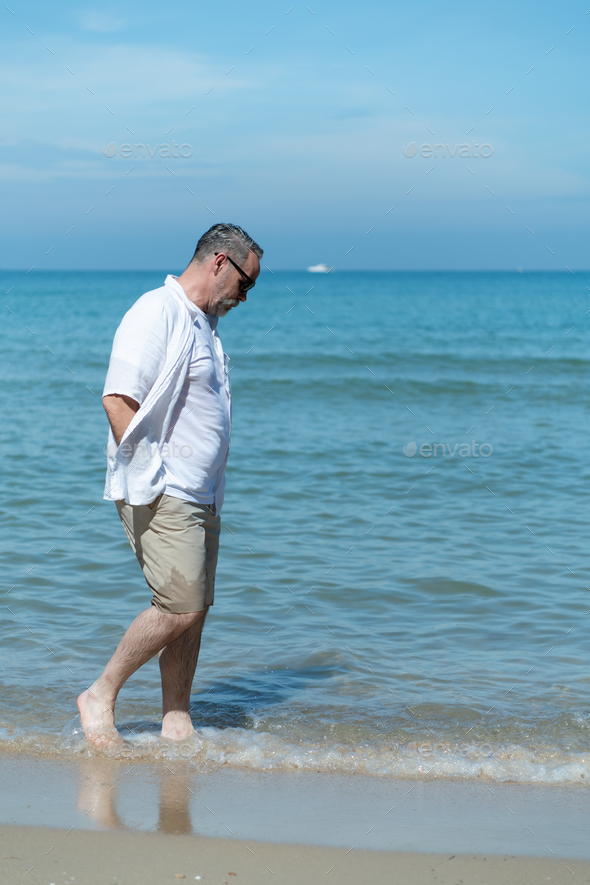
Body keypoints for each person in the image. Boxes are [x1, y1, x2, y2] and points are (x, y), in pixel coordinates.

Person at [77, 223, 263, 748]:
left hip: (202, 493)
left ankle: (176, 719)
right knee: (180, 605)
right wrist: (153, 479)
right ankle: (100, 694)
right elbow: (118, 399)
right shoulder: (157, 310)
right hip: (164, 489)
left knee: (194, 609)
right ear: (220, 262)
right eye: (246, 283)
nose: (246, 297)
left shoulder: (204, 324)